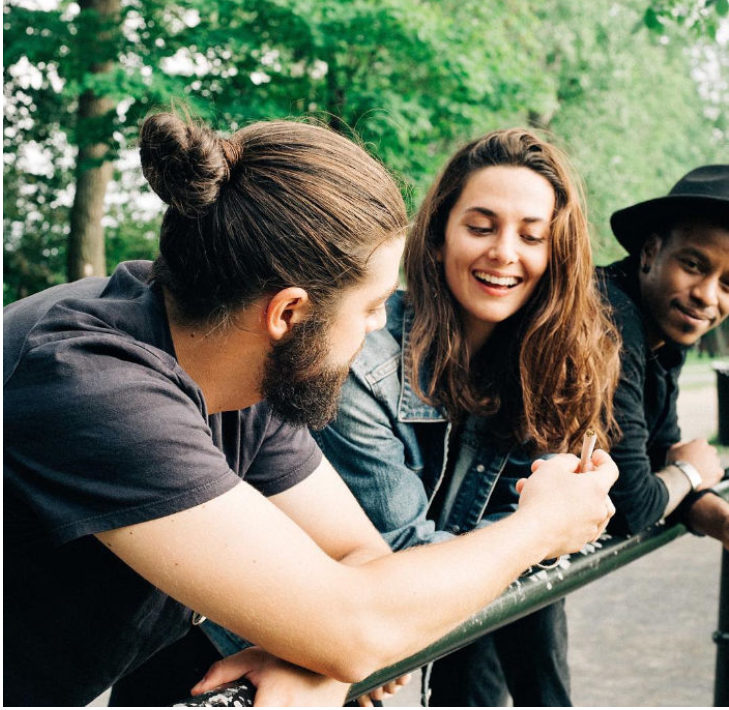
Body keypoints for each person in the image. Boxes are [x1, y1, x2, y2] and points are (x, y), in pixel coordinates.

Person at [4, 113, 618, 708]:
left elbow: (366, 562)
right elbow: (359, 622)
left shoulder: (244, 372)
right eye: (373, 305)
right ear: (289, 314)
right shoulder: (92, 383)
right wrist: (540, 527)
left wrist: (315, 652)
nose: (382, 325)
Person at [198, 129, 621, 707]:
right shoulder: (360, 359)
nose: (503, 251)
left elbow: (509, 542)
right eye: (480, 226)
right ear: (439, 237)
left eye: (532, 236)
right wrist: (543, 528)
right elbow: (401, 554)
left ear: (557, 256)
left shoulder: (546, 365)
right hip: (249, 656)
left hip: (374, 633)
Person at [600, 164, 729, 546]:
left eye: (728, 284)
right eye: (693, 265)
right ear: (651, 252)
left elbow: (659, 456)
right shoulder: (609, 319)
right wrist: (691, 471)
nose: (707, 295)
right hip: (473, 538)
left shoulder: (664, 338)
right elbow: (630, 505)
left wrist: (721, 521)